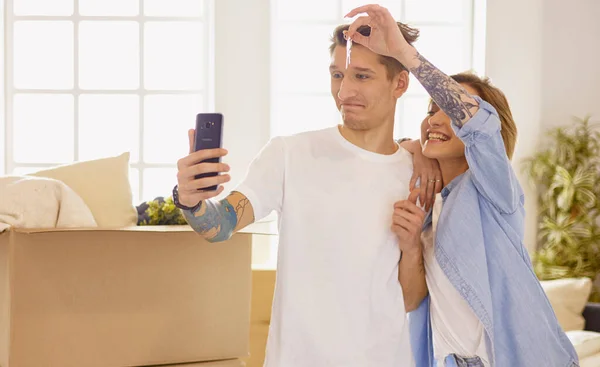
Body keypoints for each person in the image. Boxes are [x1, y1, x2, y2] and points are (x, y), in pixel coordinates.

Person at [173, 16, 442, 367]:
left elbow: (410, 300)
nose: (344, 92)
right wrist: (191, 201)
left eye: (362, 76)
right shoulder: (289, 154)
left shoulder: (419, 176)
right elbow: (220, 225)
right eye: (337, 75)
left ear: (400, 83)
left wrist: (410, 249)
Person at [343, 4, 580, 367]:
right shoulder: (426, 205)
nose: (435, 119)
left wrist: (402, 53)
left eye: (449, 112)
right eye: (430, 110)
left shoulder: (496, 193)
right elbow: (411, 301)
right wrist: (410, 245)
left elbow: (478, 125)